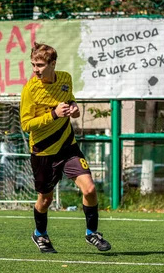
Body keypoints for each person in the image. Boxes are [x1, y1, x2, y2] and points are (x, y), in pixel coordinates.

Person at [20, 42, 111, 253]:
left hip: (68, 147)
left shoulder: (65, 79)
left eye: (40, 65)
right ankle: (40, 234)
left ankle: (92, 233)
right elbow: (26, 125)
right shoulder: (30, 90)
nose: (35, 69)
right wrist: (53, 114)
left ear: (53, 63)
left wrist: (74, 108)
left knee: (89, 189)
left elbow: (70, 101)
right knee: (45, 199)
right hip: (43, 152)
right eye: (33, 64)